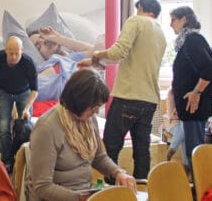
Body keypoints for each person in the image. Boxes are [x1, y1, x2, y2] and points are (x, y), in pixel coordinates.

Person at [78, 0, 167, 179]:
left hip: (129, 96)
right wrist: (96, 61)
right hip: (149, 99)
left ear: (141, 7)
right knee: (142, 150)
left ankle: (112, 194)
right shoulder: (160, 33)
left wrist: (95, 55)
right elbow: (131, 60)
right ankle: (142, 190)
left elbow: (118, 52)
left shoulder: (136, 21)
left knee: (110, 147)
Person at [29, 68, 136, 201]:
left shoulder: (89, 120)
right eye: (93, 106)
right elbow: (42, 187)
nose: (97, 111)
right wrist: (81, 198)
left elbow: (98, 157)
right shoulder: (47, 128)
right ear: (78, 101)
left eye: (99, 106)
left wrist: (118, 172)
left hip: (84, 192)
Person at [170, 6, 212, 168]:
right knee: (191, 151)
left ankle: (200, 189)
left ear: (184, 19)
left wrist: (196, 92)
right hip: (189, 106)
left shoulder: (193, 39)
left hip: (194, 105)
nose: (170, 24)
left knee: (195, 152)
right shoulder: (186, 41)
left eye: (173, 19)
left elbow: (208, 70)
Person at [0, 36, 38, 174]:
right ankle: (7, 161)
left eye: (17, 53)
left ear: (22, 50)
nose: (13, 57)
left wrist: (26, 109)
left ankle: (22, 160)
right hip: (4, 92)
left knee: (24, 127)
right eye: (10, 53)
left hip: (24, 93)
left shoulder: (28, 63)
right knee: (3, 128)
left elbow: (35, 90)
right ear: (5, 50)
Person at [29, 26, 97, 100]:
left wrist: (58, 38)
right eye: (38, 46)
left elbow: (96, 51)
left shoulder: (70, 58)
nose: (45, 41)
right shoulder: (48, 68)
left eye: (42, 37)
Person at [163, 88, 189, 172]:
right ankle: (186, 167)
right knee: (184, 131)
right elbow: (172, 115)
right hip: (171, 121)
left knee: (184, 131)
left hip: (184, 122)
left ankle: (170, 152)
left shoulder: (192, 92)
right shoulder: (172, 92)